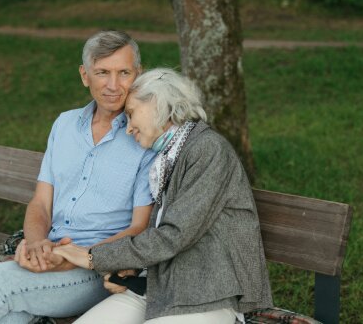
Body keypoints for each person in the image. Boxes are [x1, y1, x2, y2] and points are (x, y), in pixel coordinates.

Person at [0, 31, 156, 323]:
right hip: (50, 252)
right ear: (85, 76)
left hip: (96, 270)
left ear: (138, 74)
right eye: (102, 73)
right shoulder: (64, 124)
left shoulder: (145, 135)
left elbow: (139, 228)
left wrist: (74, 255)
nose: (113, 85)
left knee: (0, 281)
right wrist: (36, 244)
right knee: (10, 318)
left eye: (124, 73)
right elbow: (41, 203)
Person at [52, 68, 273, 324]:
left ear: (157, 102)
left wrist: (92, 256)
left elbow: (174, 236)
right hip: (161, 288)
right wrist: (133, 272)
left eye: (131, 114)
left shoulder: (207, 150)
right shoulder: (166, 158)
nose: (128, 128)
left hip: (206, 293)